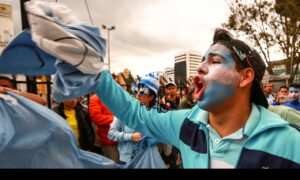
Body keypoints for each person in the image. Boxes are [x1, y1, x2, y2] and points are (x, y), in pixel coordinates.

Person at [86, 28, 300, 168]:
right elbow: (135, 114)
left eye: (215, 61)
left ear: (245, 77)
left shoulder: (289, 143)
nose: (200, 67)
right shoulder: (186, 124)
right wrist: (92, 69)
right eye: (202, 61)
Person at [108, 73, 160, 164]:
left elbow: (162, 135)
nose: (138, 94)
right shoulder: (125, 110)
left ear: (151, 97)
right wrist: (130, 136)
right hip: (127, 160)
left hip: (147, 159)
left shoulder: (157, 114)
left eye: (143, 91)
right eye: (136, 90)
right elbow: (111, 133)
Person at [89, 94, 120, 163]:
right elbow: (96, 118)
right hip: (108, 140)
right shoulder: (95, 98)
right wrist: (116, 119)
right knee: (113, 164)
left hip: (122, 139)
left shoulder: (115, 95)